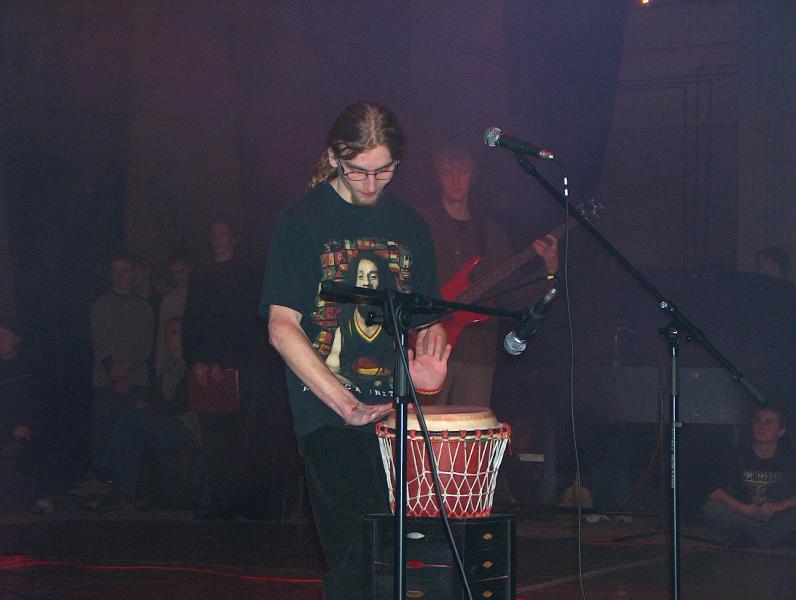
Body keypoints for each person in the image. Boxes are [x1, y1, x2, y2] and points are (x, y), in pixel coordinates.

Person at [260, 101, 451, 600]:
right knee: (358, 561)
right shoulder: (302, 220)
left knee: (413, 564)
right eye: (359, 171)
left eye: (384, 170)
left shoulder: (411, 225)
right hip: (329, 416)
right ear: (334, 157)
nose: (370, 183)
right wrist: (346, 405)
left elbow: (426, 326)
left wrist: (429, 375)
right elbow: (282, 327)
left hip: (398, 417)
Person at [419, 145, 559, 407]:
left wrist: (548, 270)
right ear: (438, 178)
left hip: (477, 352)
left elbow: (512, 295)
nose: (456, 180)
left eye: (462, 172)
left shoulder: (490, 232)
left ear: (473, 176)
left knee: (472, 429)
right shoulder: (421, 224)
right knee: (423, 427)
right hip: (427, 350)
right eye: (448, 173)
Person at [182, 216, 262, 520]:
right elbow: (193, 322)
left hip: (239, 369)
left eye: (223, 233)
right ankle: (217, 503)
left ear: (234, 238)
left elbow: (246, 325)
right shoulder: (202, 275)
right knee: (212, 438)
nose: (217, 239)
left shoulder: (246, 274)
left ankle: (239, 503)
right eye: (213, 233)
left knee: (238, 438)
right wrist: (197, 360)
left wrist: (228, 362)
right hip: (207, 369)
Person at [80, 253, 153, 494]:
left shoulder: (143, 306)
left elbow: (146, 345)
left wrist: (127, 369)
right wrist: (116, 374)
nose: (120, 275)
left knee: (132, 434)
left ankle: (130, 488)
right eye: (115, 270)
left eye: (124, 270)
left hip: (136, 380)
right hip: (106, 381)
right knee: (104, 432)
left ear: (133, 273)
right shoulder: (100, 305)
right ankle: (100, 484)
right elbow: (100, 342)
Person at [702, 405, 796, 548]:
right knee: (712, 509)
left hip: (777, 514)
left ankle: (752, 537)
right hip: (744, 513)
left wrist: (779, 506)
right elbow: (714, 490)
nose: (761, 426)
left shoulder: (790, 458)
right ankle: (768, 537)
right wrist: (745, 509)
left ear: (781, 431)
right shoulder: (738, 454)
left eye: (769, 422)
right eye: (758, 421)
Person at [0, 316, 56, 513]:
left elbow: (39, 402)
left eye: (5, 335)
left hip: (26, 426)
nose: (1, 341)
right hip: (5, 425)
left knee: (45, 438)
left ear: (18, 338)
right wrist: (10, 426)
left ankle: (43, 497)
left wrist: (25, 424)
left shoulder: (31, 366)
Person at [155, 247, 195, 373]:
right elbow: (163, 334)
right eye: (173, 273)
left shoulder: (205, 293)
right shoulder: (170, 299)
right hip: (176, 363)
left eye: (180, 272)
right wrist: (160, 365)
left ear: (191, 268)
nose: (177, 277)